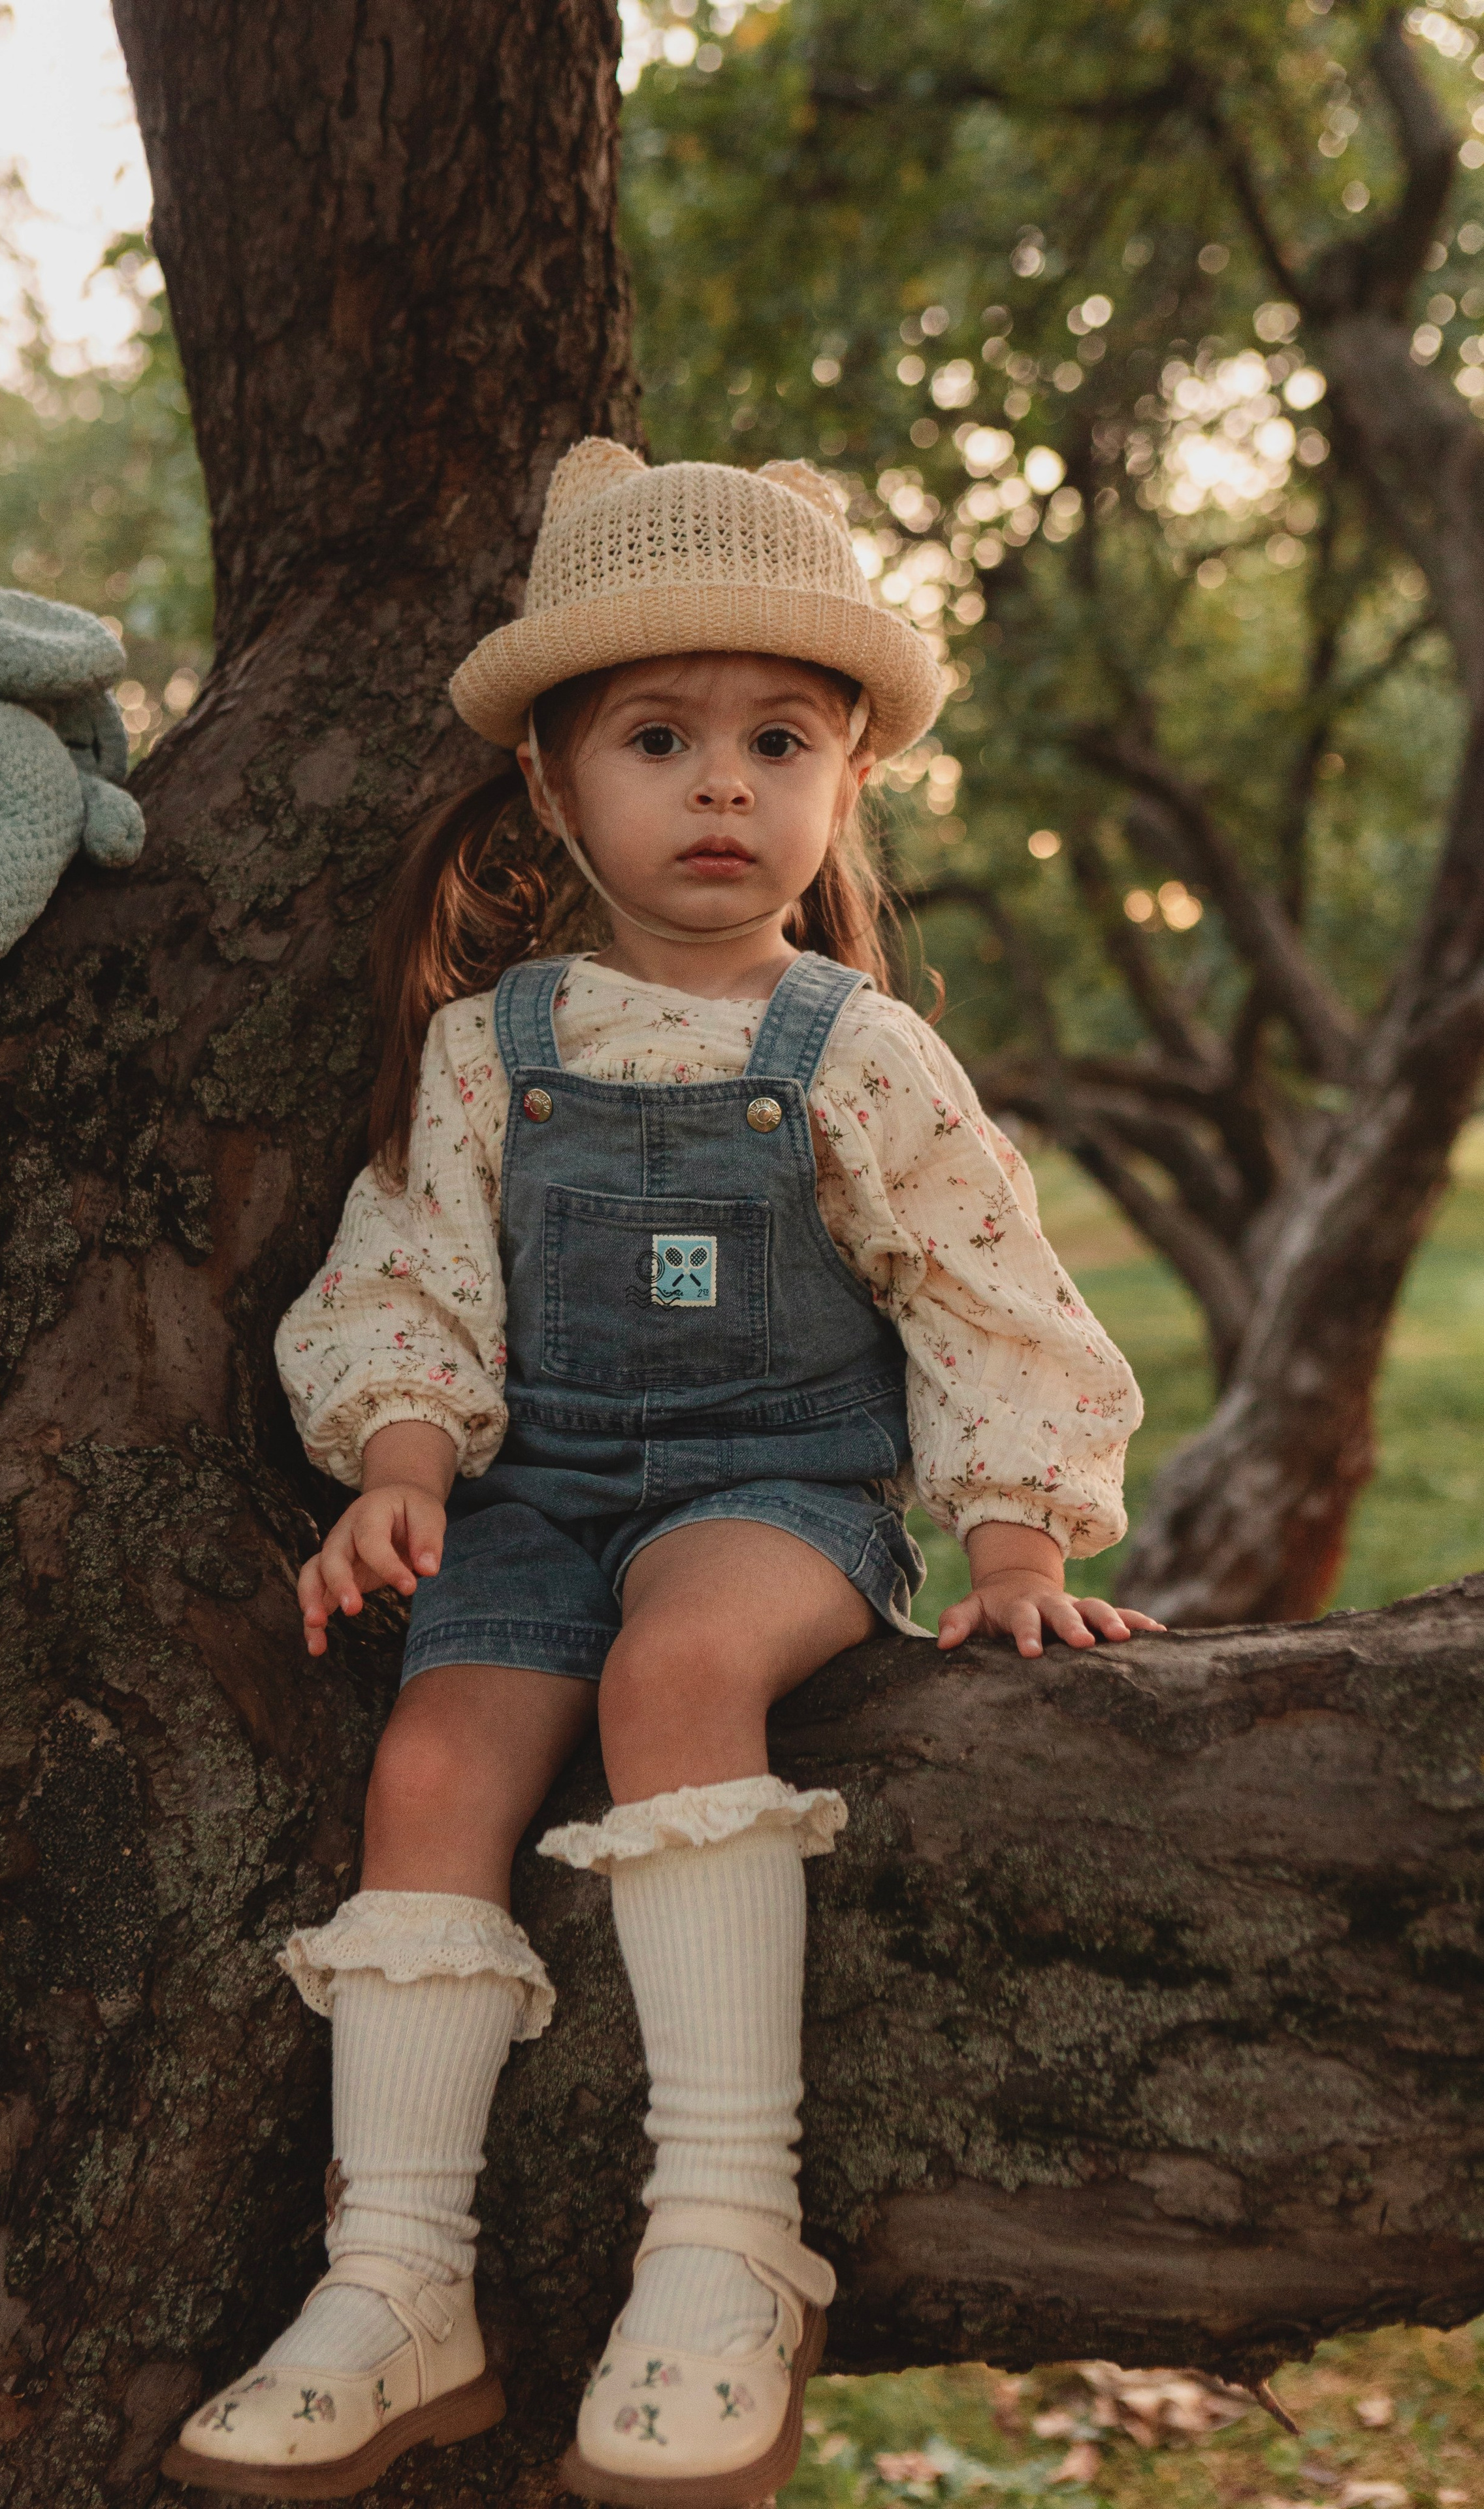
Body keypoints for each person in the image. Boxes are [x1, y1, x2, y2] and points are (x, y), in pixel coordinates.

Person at [163, 441, 1157, 2503]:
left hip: (778, 1494)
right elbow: (412, 1281)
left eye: (777, 740)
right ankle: (397, 2276)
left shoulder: (855, 1049)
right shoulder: (489, 1047)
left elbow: (986, 1294)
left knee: (675, 1672)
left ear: (844, 784)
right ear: (554, 786)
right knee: (433, 1766)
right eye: (660, 737)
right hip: (536, 1505)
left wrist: (1009, 1535)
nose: (722, 786)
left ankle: (724, 2242)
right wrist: (406, 1466)